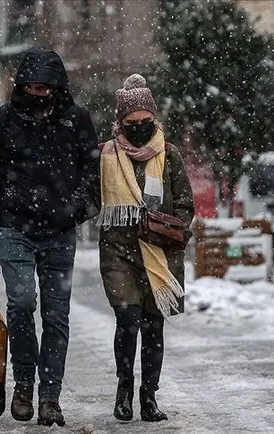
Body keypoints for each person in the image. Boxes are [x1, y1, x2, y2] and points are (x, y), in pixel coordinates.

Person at [0, 48, 99, 427]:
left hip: (60, 230)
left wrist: (73, 210)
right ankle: (23, 382)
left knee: (57, 314)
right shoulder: (1, 123)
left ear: (57, 88)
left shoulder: (76, 121)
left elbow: (91, 173)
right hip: (14, 227)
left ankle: (50, 396)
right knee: (21, 302)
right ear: (21, 85)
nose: (38, 94)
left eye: (45, 87)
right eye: (31, 87)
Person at [93, 74, 194, 422]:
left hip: (159, 253)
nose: (139, 128)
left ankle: (148, 396)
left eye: (145, 123)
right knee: (128, 320)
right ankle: (124, 390)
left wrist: (167, 227)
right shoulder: (106, 156)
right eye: (131, 123)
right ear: (119, 123)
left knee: (153, 326)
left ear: (154, 120)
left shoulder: (169, 155)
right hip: (118, 252)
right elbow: (92, 200)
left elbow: (185, 204)